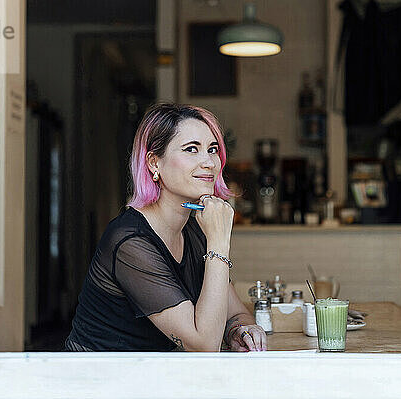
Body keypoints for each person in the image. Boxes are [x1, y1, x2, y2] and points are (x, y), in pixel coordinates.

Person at [66, 103, 266, 352]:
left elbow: (236, 313)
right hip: (98, 385)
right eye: (191, 149)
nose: (209, 162)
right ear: (154, 163)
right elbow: (203, 345)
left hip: (152, 379)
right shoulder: (131, 242)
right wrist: (219, 241)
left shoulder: (194, 227)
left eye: (212, 149)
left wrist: (240, 330)